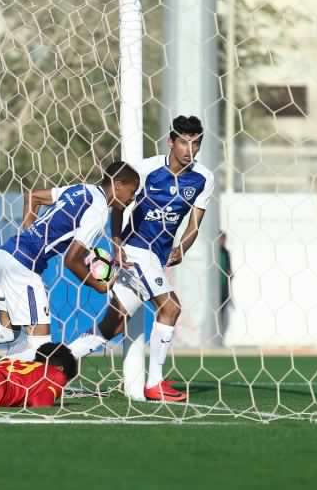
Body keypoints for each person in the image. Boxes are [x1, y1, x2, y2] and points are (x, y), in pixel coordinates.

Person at [0, 161, 140, 378]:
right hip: (24, 267)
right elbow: (71, 260)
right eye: (131, 192)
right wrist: (100, 285)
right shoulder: (99, 210)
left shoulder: (80, 189)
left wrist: (28, 232)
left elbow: (32, 196)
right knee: (40, 344)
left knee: (7, 332)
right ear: (118, 185)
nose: (131, 199)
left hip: (6, 254)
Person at [68, 116, 214, 403]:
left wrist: (182, 248)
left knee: (113, 324)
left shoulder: (203, 179)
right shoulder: (146, 170)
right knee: (170, 308)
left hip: (157, 258)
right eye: (184, 142)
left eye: (195, 143)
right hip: (137, 250)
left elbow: (194, 225)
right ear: (171, 141)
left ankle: (54, 366)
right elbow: (120, 203)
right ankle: (155, 382)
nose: (189, 149)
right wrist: (117, 240)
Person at [218, 231, 233, 342]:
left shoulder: (226, 253)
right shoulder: (212, 253)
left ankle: (220, 338)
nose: (222, 241)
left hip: (224, 289)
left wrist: (230, 274)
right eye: (221, 239)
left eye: (224, 239)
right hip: (214, 291)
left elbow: (229, 269)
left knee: (223, 313)